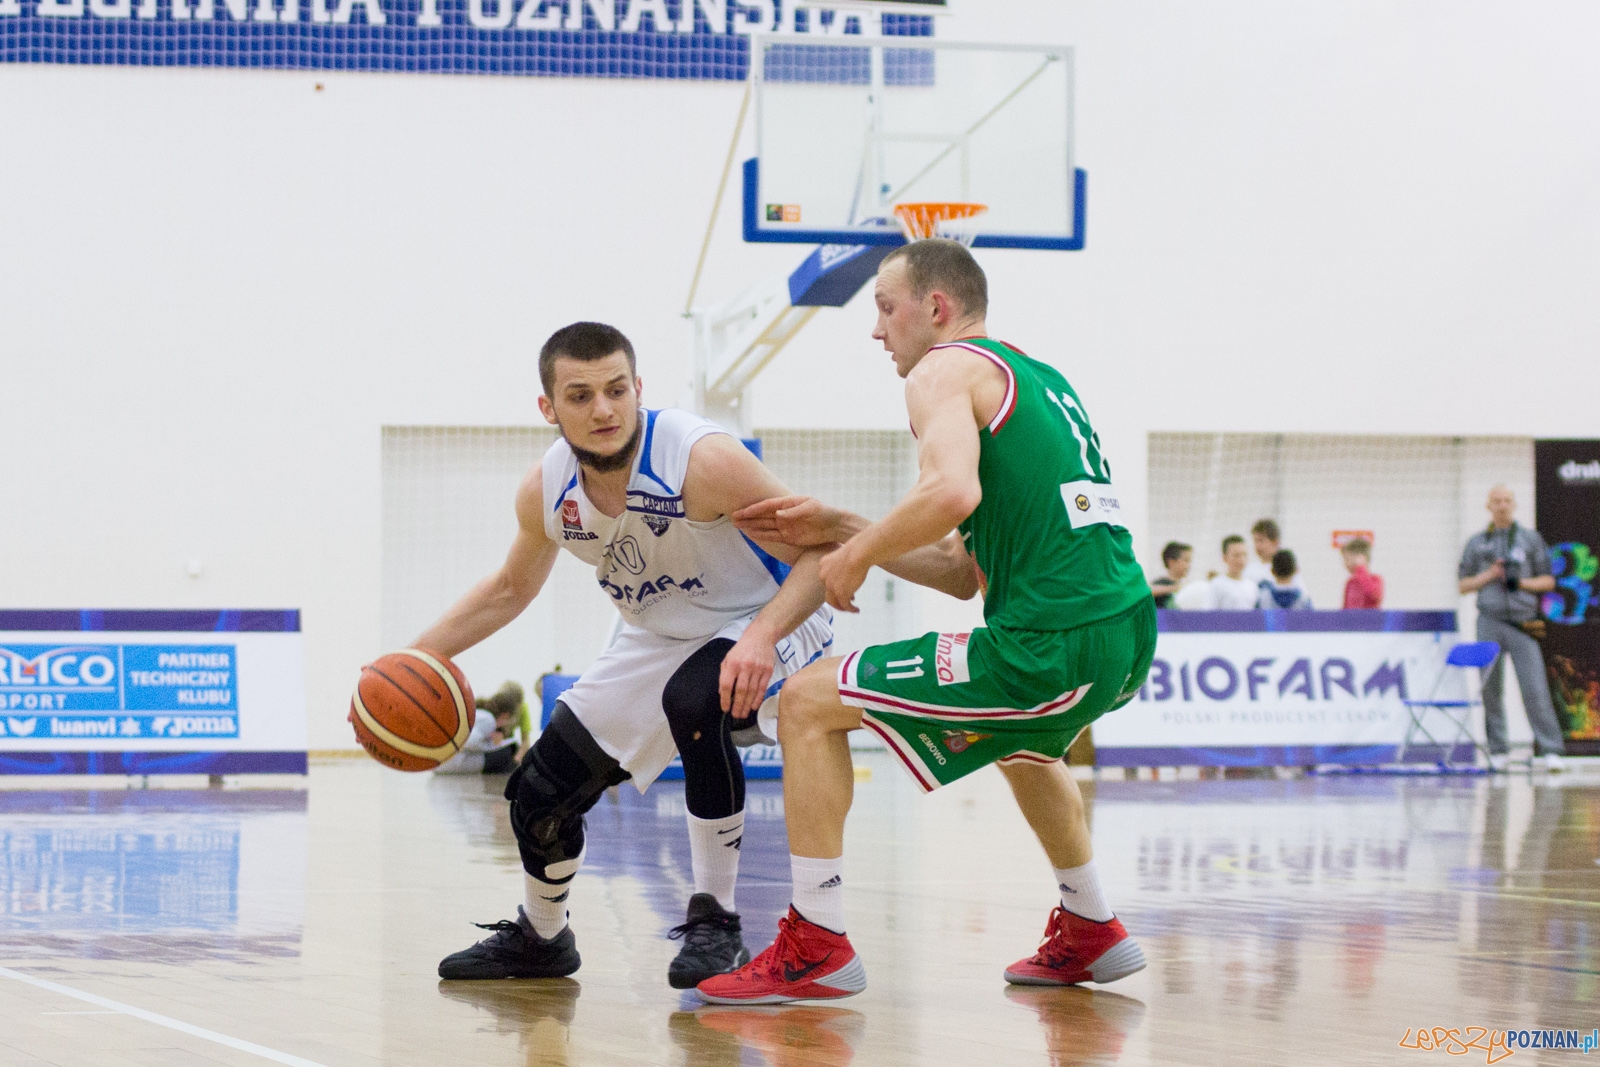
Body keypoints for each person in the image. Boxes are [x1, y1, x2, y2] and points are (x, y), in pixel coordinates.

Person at [697, 239, 1156, 1004]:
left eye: (885, 307)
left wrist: (857, 555)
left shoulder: (942, 370)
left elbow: (950, 493)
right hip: (1125, 633)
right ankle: (1091, 923)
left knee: (805, 701)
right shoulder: (1037, 378)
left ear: (936, 307)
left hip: (1053, 643)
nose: (877, 329)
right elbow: (959, 570)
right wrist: (844, 527)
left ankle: (816, 943)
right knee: (1023, 742)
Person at [411, 321, 835, 986]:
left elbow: (820, 554)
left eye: (616, 389)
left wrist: (760, 637)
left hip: (768, 614)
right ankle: (543, 939)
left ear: (639, 388)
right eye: (580, 395)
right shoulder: (547, 490)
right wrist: (410, 659)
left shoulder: (702, 460)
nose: (603, 409)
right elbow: (510, 589)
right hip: (659, 635)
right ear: (549, 408)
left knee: (694, 700)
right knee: (538, 791)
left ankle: (717, 922)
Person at [1457, 485, 1565, 772]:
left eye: (1507, 500)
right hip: (1489, 621)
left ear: (1514, 504)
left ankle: (1550, 749)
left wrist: (1520, 583)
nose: (1502, 505)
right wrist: (1490, 575)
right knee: (1490, 689)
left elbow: (1548, 581)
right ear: (1488, 506)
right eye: (1497, 501)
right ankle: (1498, 750)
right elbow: (1463, 585)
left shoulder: (1530, 539)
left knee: (1534, 688)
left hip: (1523, 623)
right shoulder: (1477, 542)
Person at [434, 681, 527, 775]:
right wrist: (490, 744)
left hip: (441, 762)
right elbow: (468, 743)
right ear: (506, 716)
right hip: (453, 763)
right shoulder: (489, 720)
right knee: (510, 749)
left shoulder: (480, 714)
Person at [1203, 535, 1260, 609]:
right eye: (1236, 555)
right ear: (1224, 558)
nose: (1241, 560)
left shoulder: (1252, 586)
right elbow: (1209, 612)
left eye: (1244, 554)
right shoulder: (1217, 585)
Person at [1340, 538, 1384, 608]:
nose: (1345, 563)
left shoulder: (1376, 579)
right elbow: (1345, 608)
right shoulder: (1350, 583)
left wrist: (1360, 568)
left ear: (1361, 558)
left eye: (1347, 559)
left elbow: (1373, 595)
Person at [1149, 541, 1191, 608]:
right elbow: (1145, 592)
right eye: (1186, 560)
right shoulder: (1161, 583)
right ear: (1171, 562)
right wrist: (1175, 588)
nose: (1188, 565)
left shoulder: (1184, 586)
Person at [1243, 519, 1282, 586]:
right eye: (1255, 541)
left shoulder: (1285, 569)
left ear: (1275, 542)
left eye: (1261, 540)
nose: (1257, 545)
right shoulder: (1249, 570)